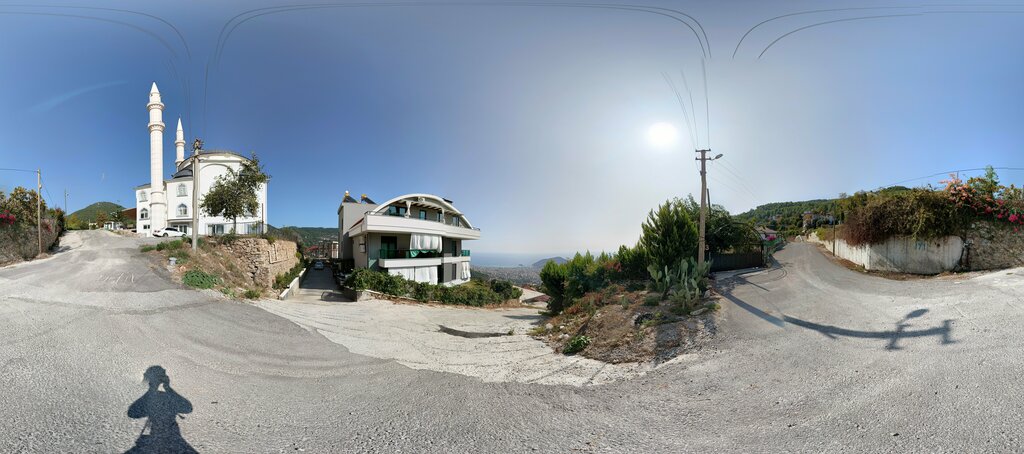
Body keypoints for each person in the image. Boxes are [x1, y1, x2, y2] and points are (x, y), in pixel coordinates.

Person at [125, 366, 197, 453]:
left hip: (161, 438)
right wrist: (161, 389)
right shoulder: (167, 396)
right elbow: (132, 413)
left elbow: (188, 408)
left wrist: (166, 388)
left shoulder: (163, 396)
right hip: (171, 438)